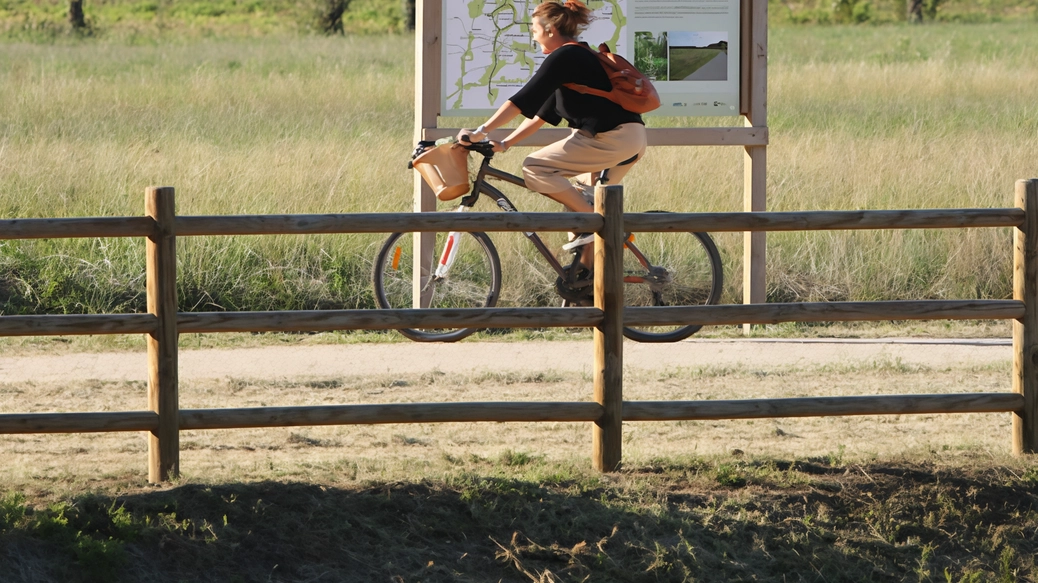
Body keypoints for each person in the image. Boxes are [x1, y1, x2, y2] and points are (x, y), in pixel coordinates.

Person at [457, 0, 647, 270]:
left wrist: (479, 132)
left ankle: (604, 225)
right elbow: (542, 114)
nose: (533, 37)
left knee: (534, 168)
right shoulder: (577, 57)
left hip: (610, 138)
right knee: (578, 194)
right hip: (627, 138)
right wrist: (506, 143)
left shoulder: (565, 56)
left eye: (534, 29)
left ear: (549, 29)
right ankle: (586, 278)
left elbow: (523, 99)